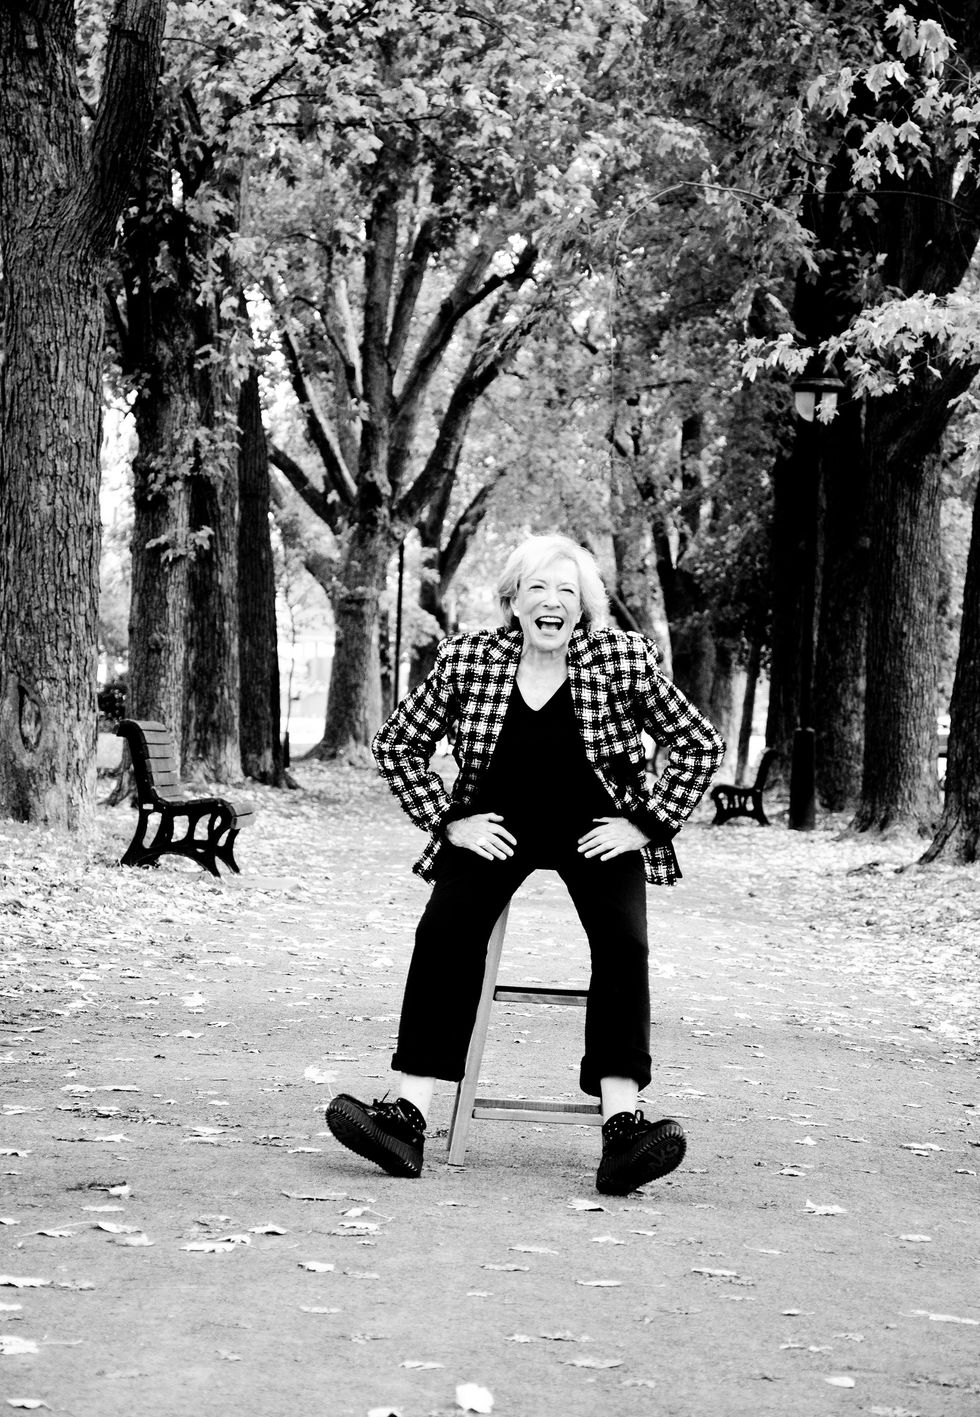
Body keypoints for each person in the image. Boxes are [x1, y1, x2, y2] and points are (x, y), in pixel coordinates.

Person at [326, 534, 724, 1193]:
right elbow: (396, 744)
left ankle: (623, 1129)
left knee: (624, 943)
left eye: (567, 591)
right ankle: (405, 1117)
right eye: (538, 587)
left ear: (583, 608)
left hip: (596, 828)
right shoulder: (470, 660)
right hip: (497, 826)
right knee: (444, 931)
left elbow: (698, 744)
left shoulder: (621, 659)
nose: (552, 601)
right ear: (514, 601)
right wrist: (449, 819)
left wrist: (645, 823)